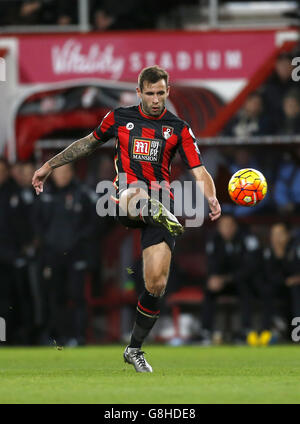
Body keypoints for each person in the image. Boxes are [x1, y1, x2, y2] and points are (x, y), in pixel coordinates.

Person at [32, 66, 221, 372]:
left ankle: (134, 349)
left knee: (156, 283)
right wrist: (49, 165)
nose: (157, 99)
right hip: (126, 199)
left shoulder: (179, 128)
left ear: (168, 91)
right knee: (136, 194)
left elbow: (199, 170)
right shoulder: (119, 118)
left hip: (163, 206)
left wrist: (211, 196)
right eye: (150, 93)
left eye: (161, 93)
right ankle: (149, 206)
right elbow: (87, 143)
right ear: (139, 93)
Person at [34, 164, 95, 346]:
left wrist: (79, 240)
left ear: (72, 173)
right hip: (52, 254)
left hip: (76, 254)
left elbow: (94, 223)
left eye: (65, 171)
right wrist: (46, 242)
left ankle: (78, 336)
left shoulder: (83, 194)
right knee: (55, 296)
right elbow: (37, 222)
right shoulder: (45, 195)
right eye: (58, 172)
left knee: (77, 295)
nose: (62, 176)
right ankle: (58, 336)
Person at [200, 214, 264, 344]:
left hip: (243, 281)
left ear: (235, 227)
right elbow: (212, 264)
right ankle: (205, 331)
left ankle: (246, 330)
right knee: (209, 291)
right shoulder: (214, 240)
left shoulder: (247, 239)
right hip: (223, 283)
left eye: (229, 226)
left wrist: (227, 278)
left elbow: (251, 267)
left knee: (246, 290)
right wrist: (213, 278)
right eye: (223, 226)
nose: (226, 229)